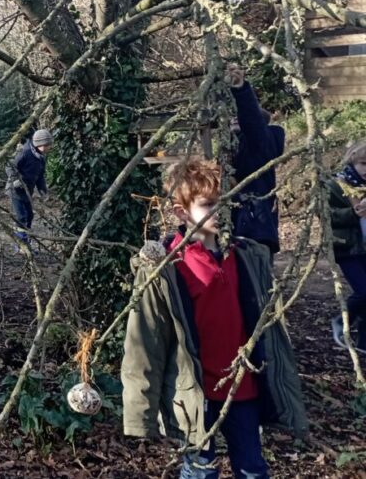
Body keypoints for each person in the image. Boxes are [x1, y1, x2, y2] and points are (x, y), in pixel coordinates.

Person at [121, 158, 307, 478]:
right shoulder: (166, 267)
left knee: (252, 468)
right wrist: (141, 413)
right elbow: (145, 341)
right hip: (195, 394)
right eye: (208, 204)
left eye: (224, 202)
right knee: (200, 470)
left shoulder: (246, 255)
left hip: (242, 387)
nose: (219, 212)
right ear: (181, 212)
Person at [227, 64, 284, 254]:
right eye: (232, 116)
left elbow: (252, 122)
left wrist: (241, 89)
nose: (235, 118)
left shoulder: (260, 144)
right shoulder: (230, 145)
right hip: (233, 227)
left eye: (238, 116)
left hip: (255, 229)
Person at [328, 140, 366, 353]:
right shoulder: (336, 185)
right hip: (347, 248)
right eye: (363, 163)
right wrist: (355, 211)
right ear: (352, 161)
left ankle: (363, 343)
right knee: (363, 292)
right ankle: (341, 321)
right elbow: (328, 216)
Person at [12, 129, 52, 243]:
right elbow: (10, 167)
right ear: (41, 144)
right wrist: (16, 180)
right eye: (48, 145)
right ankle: (20, 243)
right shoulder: (25, 152)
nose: (50, 148)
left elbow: (40, 176)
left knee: (29, 215)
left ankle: (26, 242)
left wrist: (42, 190)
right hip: (15, 191)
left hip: (27, 191)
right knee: (21, 217)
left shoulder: (41, 158)